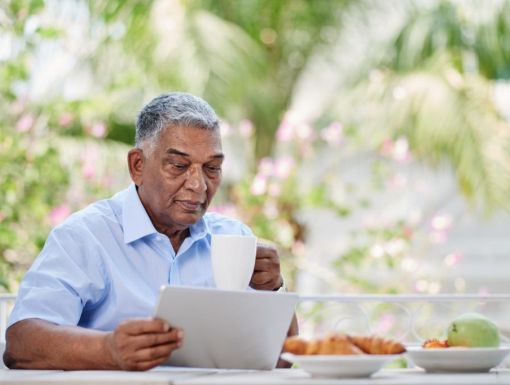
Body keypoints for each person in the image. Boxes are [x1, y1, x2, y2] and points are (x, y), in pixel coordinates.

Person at [4, 92, 297, 371]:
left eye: (211, 168)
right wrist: (107, 350)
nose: (198, 185)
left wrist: (274, 288)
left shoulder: (235, 239)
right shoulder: (86, 236)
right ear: (138, 165)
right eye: (179, 165)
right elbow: (21, 342)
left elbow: (284, 357)